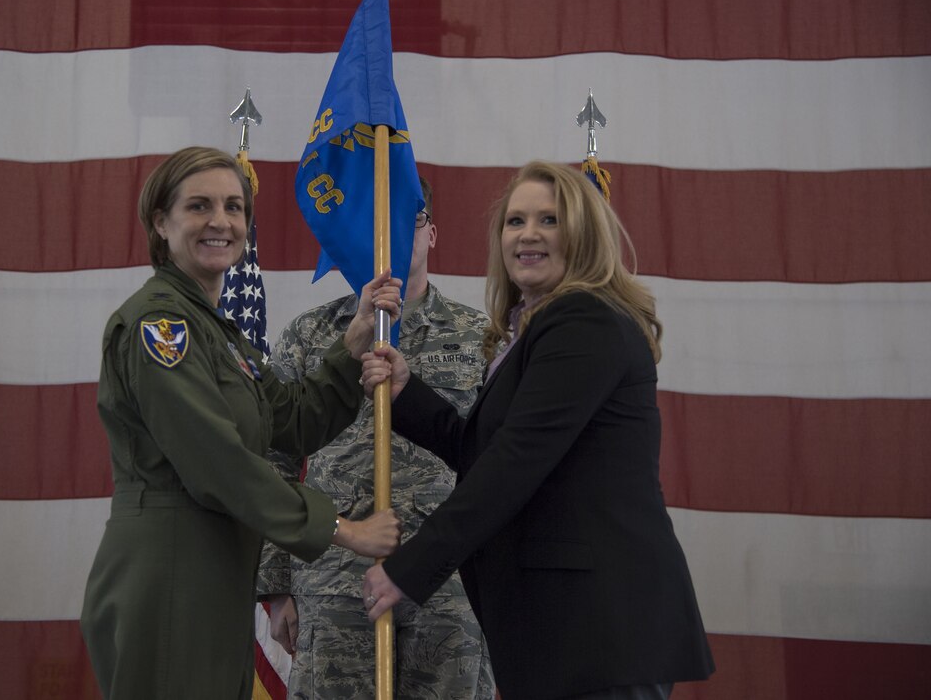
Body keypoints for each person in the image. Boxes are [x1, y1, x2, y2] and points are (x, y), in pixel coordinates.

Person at [360, 161, 715, 699]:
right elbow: (488, 450)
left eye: (549, 220)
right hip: (563, 632)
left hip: (597, 630)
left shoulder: (583, 319)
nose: (528, 234)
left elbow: (515, 461)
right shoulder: (533, 329)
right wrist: (408, 394)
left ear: (583, 234)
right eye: (515, 220)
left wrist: (411, 569)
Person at [80, 146, 402, 700]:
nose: (221, 221)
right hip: (172, 571)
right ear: (161, 222)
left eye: (234, 207)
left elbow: (292, 420)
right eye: (199, 206)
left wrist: (350, 349)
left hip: (214, 573)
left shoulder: (218, 334)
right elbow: (216, 461)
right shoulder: (162, 326)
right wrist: (342, 530)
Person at [258, 177, 495, 699]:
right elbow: (272, 458)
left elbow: (500, 463)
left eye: (406, 220)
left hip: (450, 588)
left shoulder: (483, 337)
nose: (389, 236)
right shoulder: (310, 334)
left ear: (431, 233)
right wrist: (276, 586)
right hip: (333, 581)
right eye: (375, 223)